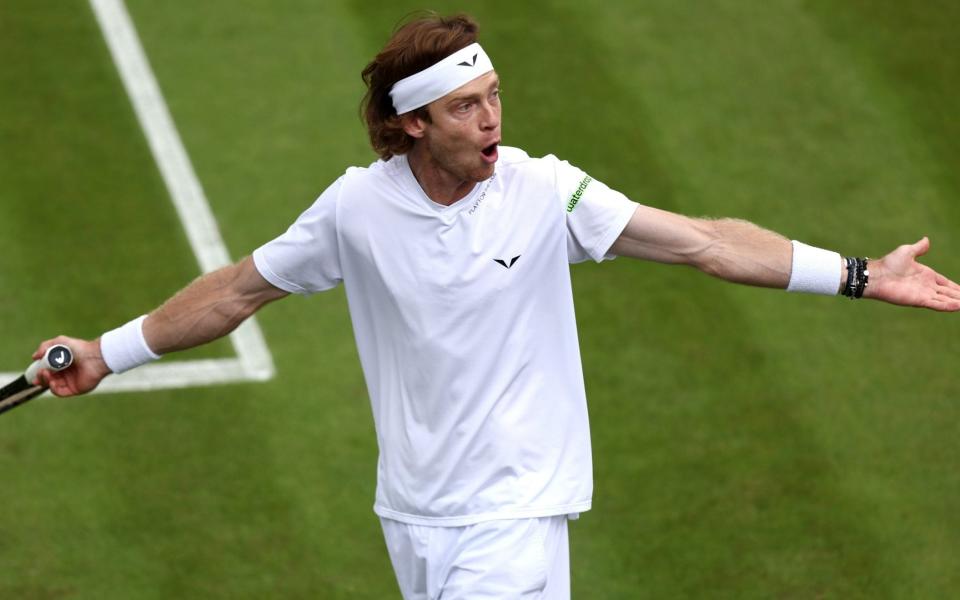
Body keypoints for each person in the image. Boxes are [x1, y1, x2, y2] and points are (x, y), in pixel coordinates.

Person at [34, 12, 960, 600]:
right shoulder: (354, 209)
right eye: (467, 107)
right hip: (412, 514)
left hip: (517, 510)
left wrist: (858, 274)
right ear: (412, 125)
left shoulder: (546, 190)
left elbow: (708, 240)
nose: (493, 121)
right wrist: (108, 353)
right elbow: (237, 291)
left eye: (494, 97)